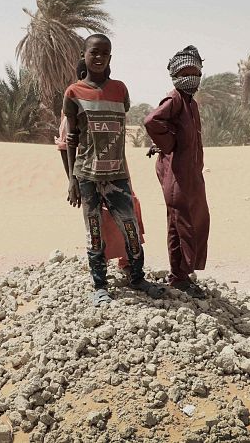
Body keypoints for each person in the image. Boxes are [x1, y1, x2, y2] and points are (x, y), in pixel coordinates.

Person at [64, 34, 164, 306]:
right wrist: (72, 179)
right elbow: (71, 139)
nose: (99, 57)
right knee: (94, 231)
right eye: (94, 52)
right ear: (84, 55)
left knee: (130, 226)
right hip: (87, 176)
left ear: (110, 57)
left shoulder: (120, 90)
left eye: (104, 53)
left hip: (117, 175)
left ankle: (137, 277)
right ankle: (100, 285)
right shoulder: (73, 93)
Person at [144, 45, 210, 299]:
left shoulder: (190, 102)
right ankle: (179, 277)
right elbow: (152, 121)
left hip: (191, 174)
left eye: (195, 72)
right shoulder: (174, 100)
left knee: (190, 221)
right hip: (177, 175)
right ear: (175, 75)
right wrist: (167, 143)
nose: (192, 77)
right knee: (181, 224)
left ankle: (181, 274)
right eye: (185, 73)